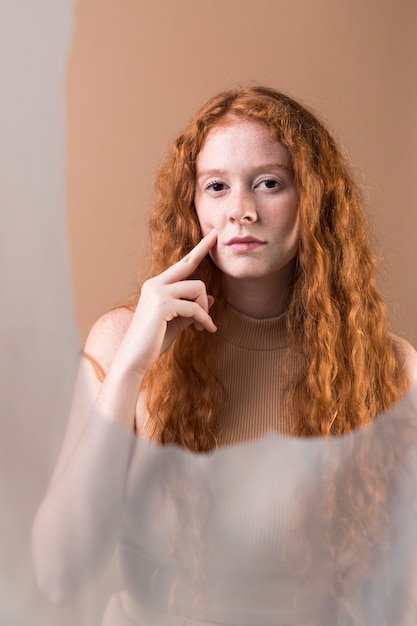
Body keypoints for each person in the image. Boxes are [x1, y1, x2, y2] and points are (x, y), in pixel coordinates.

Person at [32, 85, 417, 625]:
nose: (241, 211)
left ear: (314, 199)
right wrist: (130, 373)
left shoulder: (391, 370)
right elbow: (59, 572)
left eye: (269, 183)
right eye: (216, 186)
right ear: (192, 205)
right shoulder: (121, 343)